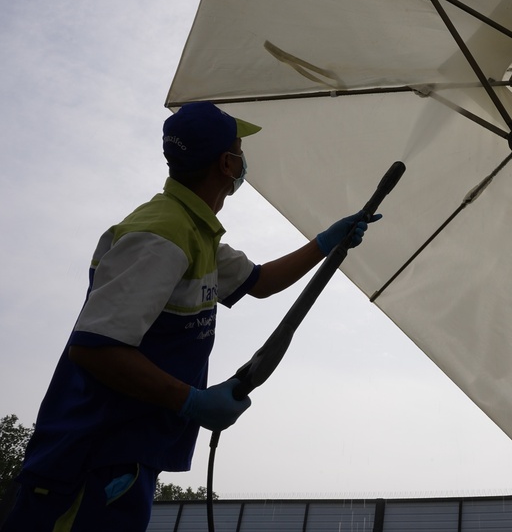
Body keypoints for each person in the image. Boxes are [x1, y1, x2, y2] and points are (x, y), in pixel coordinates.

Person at [1, 102, 379, 531]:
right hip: (88, 460)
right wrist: (193, 402)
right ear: (226, 163)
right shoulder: (160, 235)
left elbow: (259, 282)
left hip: (127, 455)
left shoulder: (194, 231)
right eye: (239, 150)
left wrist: (326, 242)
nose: (243, 161)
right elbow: (94, 349)